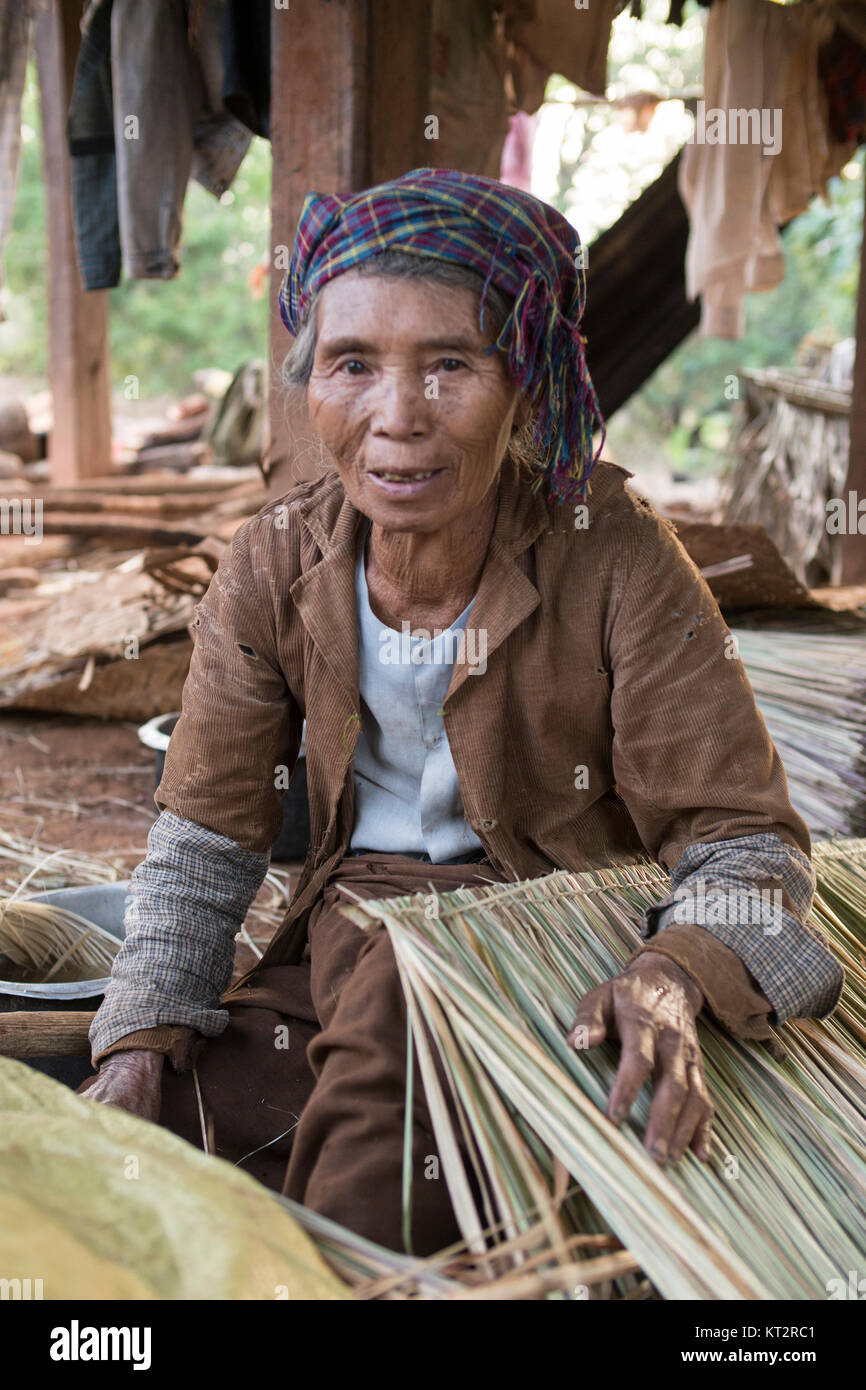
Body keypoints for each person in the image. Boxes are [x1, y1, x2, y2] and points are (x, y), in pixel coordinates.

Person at [82, 168, 842, 1256]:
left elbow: (744, 846)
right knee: (176, 1138)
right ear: (309, 379)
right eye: (351, 364)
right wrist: (135, 1045)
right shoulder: (275, 562)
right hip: (345, 939)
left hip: (554, 942)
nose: (396, 418)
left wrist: (673, 978)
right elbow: (205, 843)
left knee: (389, 1064)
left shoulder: (616, 558)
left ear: (524, 381)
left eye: (450, 364)